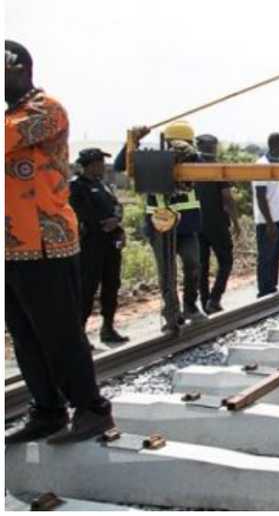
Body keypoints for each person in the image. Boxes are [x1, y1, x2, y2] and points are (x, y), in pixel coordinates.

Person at [5, 39, 115, 444]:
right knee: (25, 335)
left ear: (17, 69)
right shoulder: (12, 115)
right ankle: (47, 410)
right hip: (11, 247)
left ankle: (91, 409)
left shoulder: (46, 111)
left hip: (46, 243)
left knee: (60, 333)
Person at [115, 120, 206, 333]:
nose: (181, 148)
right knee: (167, 274)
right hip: (160, 226)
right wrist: (132, 141)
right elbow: (121, 165)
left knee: (193, 265)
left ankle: (190, 306)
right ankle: (171, 315)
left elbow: (202, 165)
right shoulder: (151, 161)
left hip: (187, 226)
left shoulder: (194, 160)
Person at [70, 147, 129, 344]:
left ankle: (108, 328)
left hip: (110, 244)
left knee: (111, 286)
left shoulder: (104, 185)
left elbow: (117, 206)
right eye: (99, 163)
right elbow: (81, 214)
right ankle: (79, 333)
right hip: (90, 245)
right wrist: (103, 223)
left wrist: (117, 221)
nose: (103, 166)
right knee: (87, 289)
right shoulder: (77, 187)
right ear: (90, 164)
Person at [195, 134, 241, 313]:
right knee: (226, 261)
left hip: (196, 224)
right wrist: (236, 222)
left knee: (202, 265)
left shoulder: (191, 167)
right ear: (213, 147)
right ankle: (214, 299)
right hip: (217, 224)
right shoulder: (217, 168)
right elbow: (227, 198)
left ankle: (205, 301)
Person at [253, 132, 279, 297]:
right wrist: (269, 223)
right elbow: (260, 196)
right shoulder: (262, 165)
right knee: (266, 257)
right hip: (268, 221)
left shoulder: (277, 165)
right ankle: (264, 291)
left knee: (276, 255)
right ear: (276, 145)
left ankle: (272, 288)